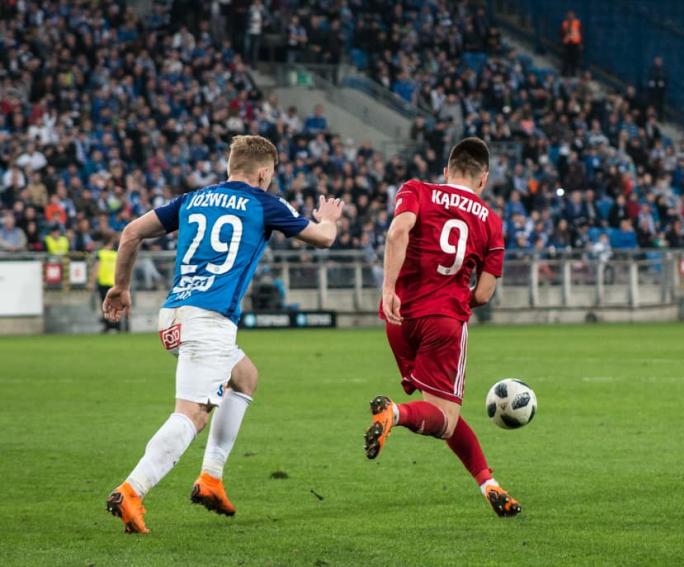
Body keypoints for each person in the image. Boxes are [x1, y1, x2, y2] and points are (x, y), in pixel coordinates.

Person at [102, 135, 344, 534]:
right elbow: (324, 239)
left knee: (245, 376)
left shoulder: (192, 198)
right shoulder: (265, 202)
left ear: (231, 165)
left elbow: (130, 232)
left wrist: (121, 287)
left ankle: (211, 478)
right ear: (264, 172)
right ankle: (132, 489)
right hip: (209, 321)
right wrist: (330, 217)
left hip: (173, 315)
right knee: (192, 414)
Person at [363, 137, 521, 517]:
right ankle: (395, 414)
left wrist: (388, 290)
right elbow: (484, 293)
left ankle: (488, 483)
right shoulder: (491, 221)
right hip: (444, 321)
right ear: (483, 180)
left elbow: (396, 232)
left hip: (399, 319)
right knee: (443, 417)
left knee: (443, 413)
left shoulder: (417, 189)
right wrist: (451, 301)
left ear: (446, 171)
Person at [94, 233, 122, 333]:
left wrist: (92, 281)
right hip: (114, 283)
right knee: (115, 305)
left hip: (103, 283)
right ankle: (117, 325)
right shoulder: (115, 254)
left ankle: (108, 326)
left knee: (105, 305)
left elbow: (96, 268)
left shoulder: (100, 254)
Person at [560, 10, 582, 77]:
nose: (570, 16)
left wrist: (580, 43)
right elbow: (562, 33)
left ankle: (573, 73)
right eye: (569, 15)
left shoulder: (577, 23)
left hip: (575, 43)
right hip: (567, 43)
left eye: (571, 15)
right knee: (566, 59)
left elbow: (580, 33)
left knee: (574, 59)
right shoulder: (564, 23)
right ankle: (564, 73)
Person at [647, 56, 667, 120]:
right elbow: (650, 77)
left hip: (660, 91)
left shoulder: (663, 70)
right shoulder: (652, 69)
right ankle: (652, 117)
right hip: (653, 91)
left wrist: (663, 83)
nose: (658, 62)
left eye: (659, 61)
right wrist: (651, 82)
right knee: (652, 104)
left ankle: (660, 118)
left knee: (660, 105)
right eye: (657, 61)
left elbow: (665, 79)